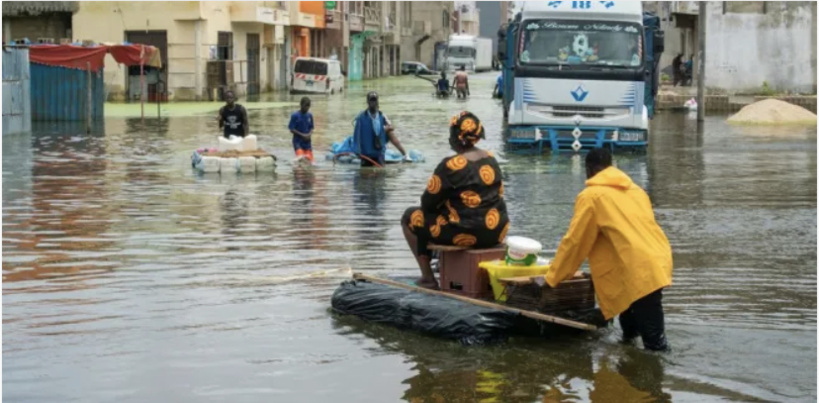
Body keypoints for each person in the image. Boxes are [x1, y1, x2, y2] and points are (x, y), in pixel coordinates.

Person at [545, 148, 673, 351]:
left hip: (638, 269)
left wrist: (552, 278)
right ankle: (628, 369)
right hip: (657, 260)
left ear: (588, 170)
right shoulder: (636, 191)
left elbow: (575, 243)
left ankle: (658, 376)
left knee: (656, 347)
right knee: (629, 331)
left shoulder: (592, 196)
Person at [401, 112, 509, 289]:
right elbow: (496, 195)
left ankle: (428, 277)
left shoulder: (451, 165)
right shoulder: (491, 159)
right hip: (495, 231)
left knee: (410, 217)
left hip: (464, 233)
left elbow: (427, 203)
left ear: (454, 138)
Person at [352, 92, 410, 167]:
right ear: (367, 102)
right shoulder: (361, 117)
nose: (373, 102)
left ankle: (405, 154)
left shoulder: (382, 116)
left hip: (379, 152)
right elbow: (356, 136)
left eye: (374, 100)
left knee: (390, 134)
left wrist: (385, 129)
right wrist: (357, 151)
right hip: (366, 153)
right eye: (371, 100)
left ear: (377, 102)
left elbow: (392, 127)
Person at [289, 97, 314, 162]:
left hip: (307, 143)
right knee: (301, 159)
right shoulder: (295, 116)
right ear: (301, 105)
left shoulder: (309, 115)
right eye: (305, 106)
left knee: (310, 161)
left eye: (308, 106)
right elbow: (291, 129)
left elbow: (311, 128)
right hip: (298, 142)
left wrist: (309, 134)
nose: (307, 108)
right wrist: (302, 135)